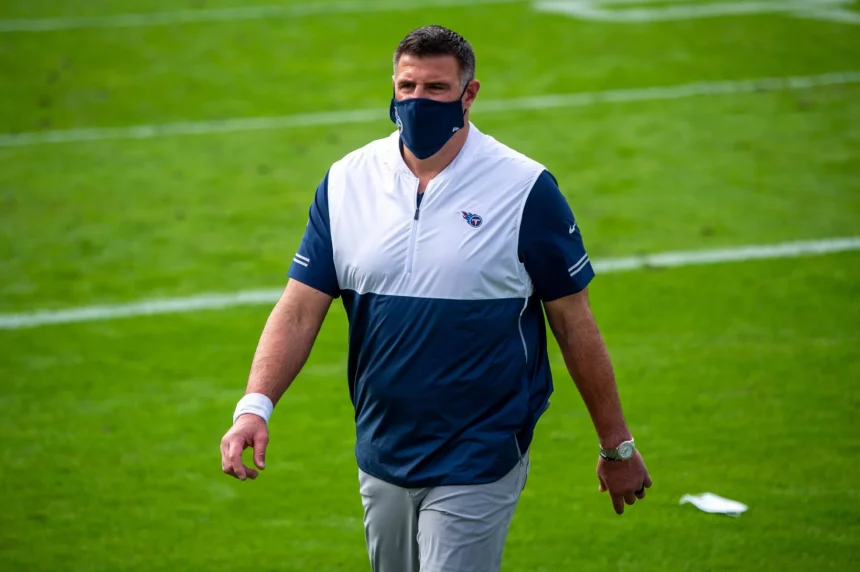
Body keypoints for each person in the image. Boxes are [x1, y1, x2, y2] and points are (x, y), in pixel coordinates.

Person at [220, 24, 652, 572]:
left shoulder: (525, 189)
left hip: (480, 451)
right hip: (381, 448)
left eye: (436, 89)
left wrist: (615, 446)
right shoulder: (345, 182)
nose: (418, 101)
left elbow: (573, 321)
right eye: (407, 87)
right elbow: (300, 307)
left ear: (469, 95)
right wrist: (254, 407)